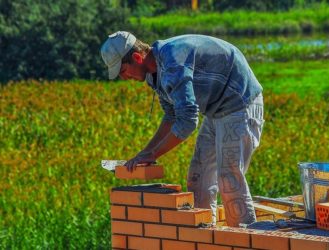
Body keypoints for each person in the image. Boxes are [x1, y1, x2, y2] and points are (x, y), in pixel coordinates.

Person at [100, 31, 264, 227]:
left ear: (137, 57)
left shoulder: (172, 61)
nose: (124, 78)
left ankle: (245, 242)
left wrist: (153, 154)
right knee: (198, 178)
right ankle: (205, 239)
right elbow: (172, 116)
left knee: (229, 178)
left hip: (239, 102)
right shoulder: (154, 75)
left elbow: (187, 122)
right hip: (216, 110)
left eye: (123, 71)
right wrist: (145, 152)